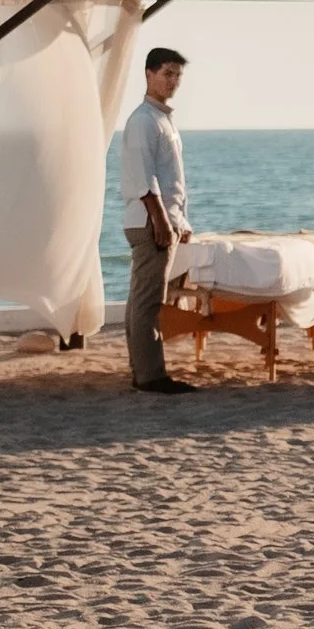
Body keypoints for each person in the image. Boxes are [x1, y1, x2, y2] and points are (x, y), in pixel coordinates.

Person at [116, 45, 194, 393]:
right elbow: (143, 177)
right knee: (148, 301)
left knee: (140, 299)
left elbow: (171, 178)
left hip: (160, 218)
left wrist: (181, 220)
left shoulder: (162, 119)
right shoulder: (144, 120)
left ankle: (142, 370)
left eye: (177, 74)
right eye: (167, 73)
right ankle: (151, 376)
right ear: (149, 74)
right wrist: (162, 222)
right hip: (149, 219)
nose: (173, 81)